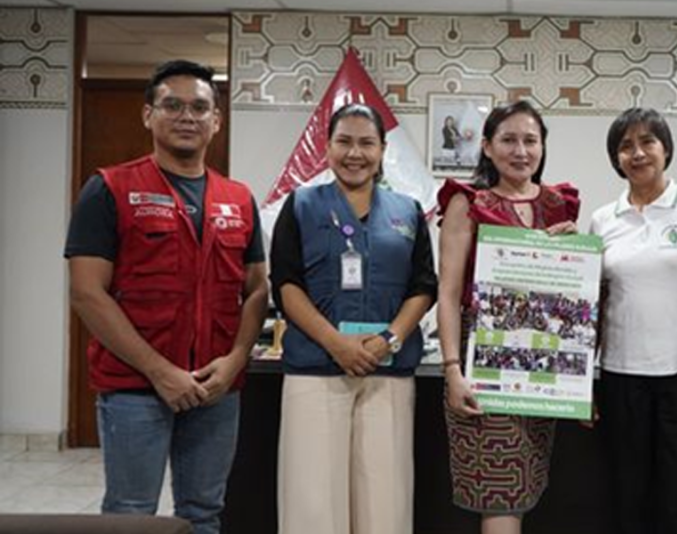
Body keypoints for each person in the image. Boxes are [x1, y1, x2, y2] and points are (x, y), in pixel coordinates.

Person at [65, 59, 268, 534]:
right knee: (130, 513)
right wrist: (160, 372)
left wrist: (235, 361)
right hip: (135, 388)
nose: (186, 117)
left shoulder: (237, 198)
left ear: (216, 120)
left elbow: (257, 287)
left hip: (216, 388)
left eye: (200, 107)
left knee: (204, 513)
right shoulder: (109, 189)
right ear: (148, 115)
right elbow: (87, 293)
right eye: (172, 105)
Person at [270, 103, 437, 534]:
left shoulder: (408, 211)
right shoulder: (301, 205)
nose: (355, 153)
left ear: (383, 150)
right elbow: (286, 284)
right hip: (315, 368)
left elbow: (423, 286)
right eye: (344, 141)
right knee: (312, 502)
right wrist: (335, 342)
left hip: (388, 370)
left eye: (366, 143)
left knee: (386, 500)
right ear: (327, 147)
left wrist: (389, 339)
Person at [437, 100, 580, 534]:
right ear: (486, 146)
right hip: (484, 364)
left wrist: (574, 250)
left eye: (530, 140)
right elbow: (446, 293)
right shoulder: (469, 203)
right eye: (509, 140)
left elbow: (573, 297)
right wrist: (452, 370)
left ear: (542, 147)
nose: (521, 151)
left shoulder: (560, 204)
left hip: (544, 363)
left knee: (527, 484)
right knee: (501, 496)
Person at [589, 107, 677, 534]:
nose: (637, 153)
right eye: (625, 146)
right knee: (627, 494)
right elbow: (592, 304)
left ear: (665, 149)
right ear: (616, 159)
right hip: (620, 376)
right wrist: (578, 382)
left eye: (647, 142)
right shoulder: (602, 219)